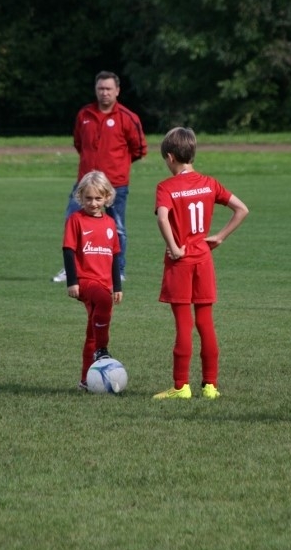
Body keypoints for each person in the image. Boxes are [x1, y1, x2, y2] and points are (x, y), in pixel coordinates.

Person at [152, 127, 249, 399]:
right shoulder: (209, 183)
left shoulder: (166, 187)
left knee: (184, 325)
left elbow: (162, 218)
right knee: (206, 323)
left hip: (181, 263)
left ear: (170, 157)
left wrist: (174, 248)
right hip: (204, 260)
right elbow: (242, 209)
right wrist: (220, 236)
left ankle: (181, 387)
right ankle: (210, 386)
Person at [53, 71, 147, 283]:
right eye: (101, 88)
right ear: (95, 90)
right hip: (84, 183)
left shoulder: (128, 117)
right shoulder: (84, 114)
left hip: (116, 184)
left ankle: (118, 270)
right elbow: (79, 143)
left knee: (118, 228)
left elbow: (139, 149)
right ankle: (72, 269)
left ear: (117, 91)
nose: (104, 92)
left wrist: (117, 166)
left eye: (108, 89)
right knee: (73, 221)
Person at [62, 171, 123, 390]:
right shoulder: (76, 220)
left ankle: (86, 380)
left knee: (92, 332)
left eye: (98, 198)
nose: (93, 203)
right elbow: (68, 251)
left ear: (107, 197)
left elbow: (114, 255)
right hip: (85, 280)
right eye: (88, 198)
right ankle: (102, 350)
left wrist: (117, 286)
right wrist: (72, 281)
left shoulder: (110, 223)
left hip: (105, 283)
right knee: (103, 302)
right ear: (80, 197)